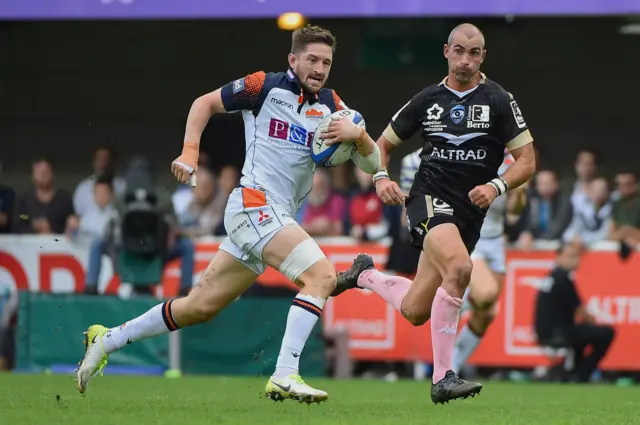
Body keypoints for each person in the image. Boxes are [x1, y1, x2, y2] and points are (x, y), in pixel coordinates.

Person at [75, 25, 383, 403]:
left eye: (326, 62)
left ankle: (105, 339)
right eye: (312, 59)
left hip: (274, 217)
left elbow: (372, 163)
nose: (319, 68)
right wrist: (190, 151)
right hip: (253, 204)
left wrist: (360, 137)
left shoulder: (333, 107)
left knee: (197, 308)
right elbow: (203, 103)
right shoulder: (263, 87)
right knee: (319, 275)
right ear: (293, 59)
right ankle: (285, 374)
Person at [326, 23, 536, 403]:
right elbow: (382, 146)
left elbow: (527, 161)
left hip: (470, 214)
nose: (465, 60)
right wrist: (379, 177)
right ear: (446, 51)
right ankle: (443, 377)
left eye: (474, 53)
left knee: (415, 310)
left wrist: (496, 186)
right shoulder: (426, 100)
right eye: (459, 51)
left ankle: (364, 275)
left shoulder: (500, 100)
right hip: (428, 199)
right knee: (460, 269)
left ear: (483, 56)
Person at [452, 149, 527, 374]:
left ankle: (452, 365)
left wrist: (520, 192)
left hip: (495, 242)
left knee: (488, 312)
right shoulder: (467, 151)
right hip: (470, 237)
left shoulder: (513, 160)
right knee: (485, 295)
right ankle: (447, 306)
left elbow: (514, 213)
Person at [534, 241, 615, 382]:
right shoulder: (563, 279)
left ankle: (571, 371)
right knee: (607, 333)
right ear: (558, 257)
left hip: (546, 331)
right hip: (559, 332)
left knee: (582, 335)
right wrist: (593, 322)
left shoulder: (551, 277)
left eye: (576, 256)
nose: (576, 260)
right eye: (570, 256)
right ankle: (581, 373)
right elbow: (581, 310)